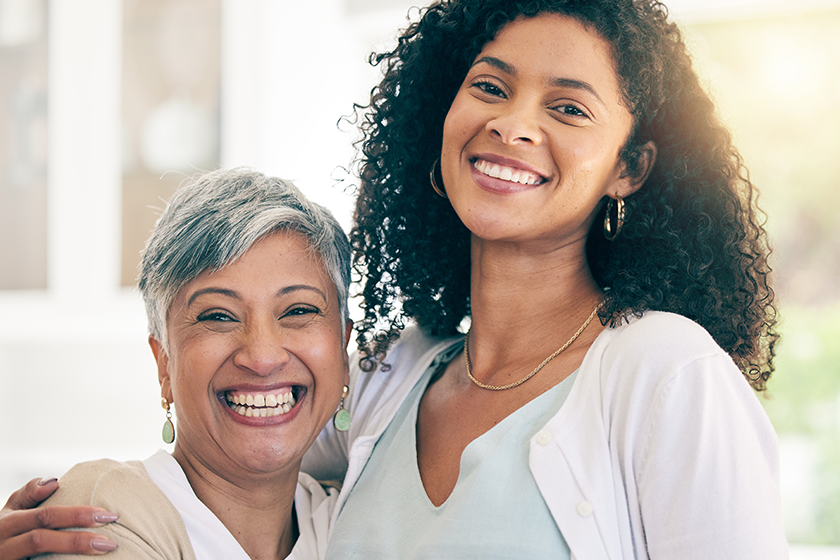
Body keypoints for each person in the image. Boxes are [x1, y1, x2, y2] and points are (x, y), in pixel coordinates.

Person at [1, 0, 788, 558]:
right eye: (490, 86)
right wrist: (75, 514)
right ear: (440, 116)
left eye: (569, 109)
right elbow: (228, 451)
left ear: (630, 167)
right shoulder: (390, 379)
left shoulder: (664, 373)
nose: (513, 123)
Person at [0, 167, 353, 559]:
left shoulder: (359, 517)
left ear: (343, 349)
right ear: (164, 363)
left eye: (299, 310)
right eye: (218, 316)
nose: (262, 357)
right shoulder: (105, 508)